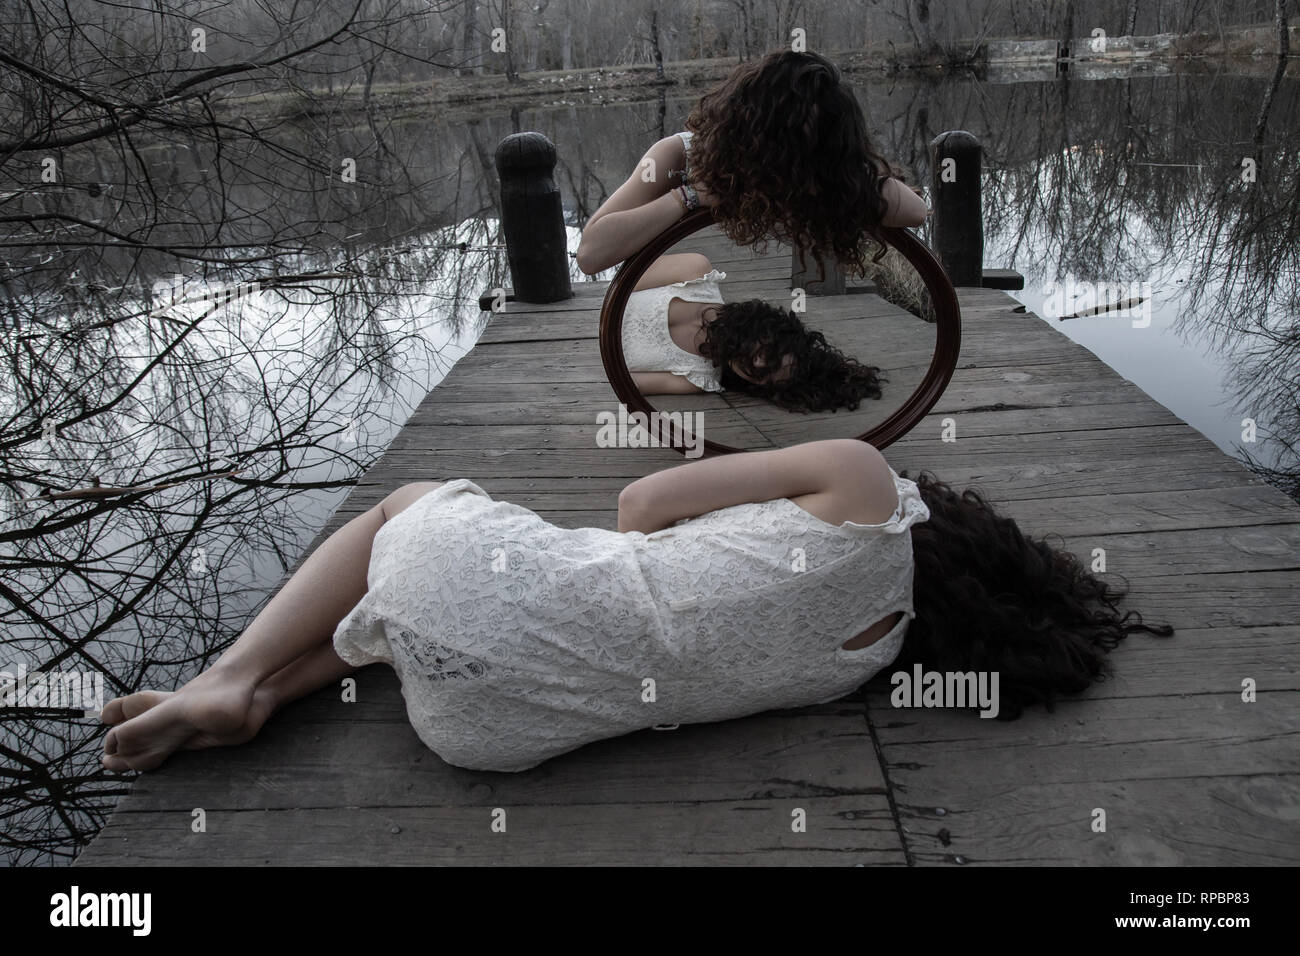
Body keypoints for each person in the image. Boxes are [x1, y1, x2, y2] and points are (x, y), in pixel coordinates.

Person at [99, 439, 1173, 775]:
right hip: (485, 739)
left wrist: (739, 486)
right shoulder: (870, 660)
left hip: (510, 603)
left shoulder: (861, 477)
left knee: (411, 507)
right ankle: (276, 689)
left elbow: (639, 501)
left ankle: (232, 675)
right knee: (465, 617)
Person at [575, 50, 929, 277]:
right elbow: (590, 255)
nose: (797, 153)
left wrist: (850, 161)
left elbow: (914, 211)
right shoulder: (678, 156)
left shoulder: (812, 174)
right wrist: (686, 198)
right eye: (790, 138)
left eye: (816, 142)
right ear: (754, 127)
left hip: (749, 327)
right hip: (670, 314)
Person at [621, 251, 885, 413]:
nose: (757, 363)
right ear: (765, 328)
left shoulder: (698, 379)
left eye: (766, 374)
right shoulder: (695, 274)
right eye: (769, 354)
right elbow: (621, 280)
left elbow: (623, 381)